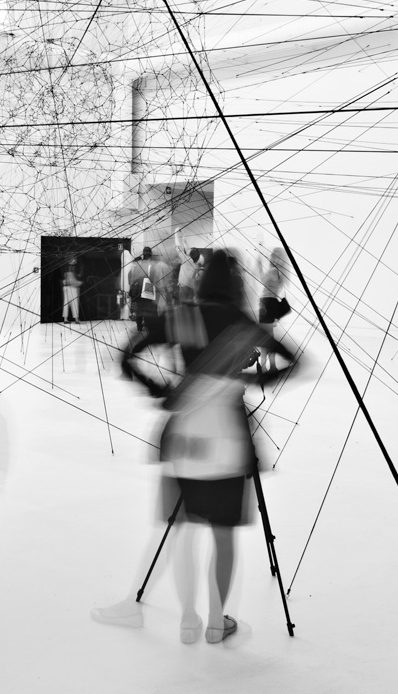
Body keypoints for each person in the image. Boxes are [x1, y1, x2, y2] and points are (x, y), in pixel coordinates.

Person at [112, 249, 299, 643]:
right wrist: (253, 383)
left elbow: (127, 356)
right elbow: (294, 361)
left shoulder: (181, 317)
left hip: (182, 437)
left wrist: (159, 390)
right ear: (237, 283)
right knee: (223, 533)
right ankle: (218, 623)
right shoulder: (242, 324)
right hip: (228, 439)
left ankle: (187, 622)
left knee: (182, 529)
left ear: (202, 279)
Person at [127, 246, 165, 331]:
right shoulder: (152, 266)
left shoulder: (137, 264)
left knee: (139, 309)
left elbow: (130, 276)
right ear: (150, 255)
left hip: (136, 291)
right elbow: (153, 279)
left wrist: (133, 286)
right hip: (146, 290)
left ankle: (139, 326)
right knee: (147, 308)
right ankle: (148, 325)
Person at [62, 255, 83, 324]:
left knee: (67, 303)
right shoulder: (73, 268)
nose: (75, 260)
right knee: (74, 303)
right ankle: (76, 319)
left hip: (67, 286)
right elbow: (77, 277)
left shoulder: (65, 267)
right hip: (72, 287)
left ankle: (66, 318)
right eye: (74, 259)